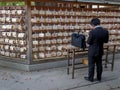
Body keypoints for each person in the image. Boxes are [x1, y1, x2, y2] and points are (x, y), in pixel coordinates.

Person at [84, 18, 109, 82]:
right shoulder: (105, 31)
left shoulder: (92, 32)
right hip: (100, 50)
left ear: (92, 25)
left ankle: (91, 78)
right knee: (99, 64)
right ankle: (99, 77)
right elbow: (106, 41)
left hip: (92, 51)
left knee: (91, 65)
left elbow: (88, 42)